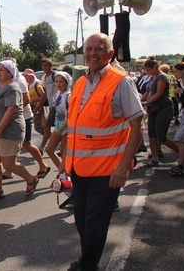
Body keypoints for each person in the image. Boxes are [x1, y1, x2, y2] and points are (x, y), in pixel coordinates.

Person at [62, 33, 144, 271]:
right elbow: (74, 127)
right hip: (78, 167)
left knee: (96, 223)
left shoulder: (121, 82)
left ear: (110, 54)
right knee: (82, 220)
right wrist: (63, 164)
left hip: (107, 170)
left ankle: (88, 265)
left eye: (99, 49)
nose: (93, 53)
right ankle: (87, 259)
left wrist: (123, 166)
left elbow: (137, 124)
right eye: (89, 49)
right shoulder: (79, 82)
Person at [0, 60, 39, 201]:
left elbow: (12, 109)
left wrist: (0, 128)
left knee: (8, 164)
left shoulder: (12, 88)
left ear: (10, 73)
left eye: (2, 69)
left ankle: (31, 179)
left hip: (8, 132)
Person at [141, 58, 179, 167]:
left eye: (148, 70)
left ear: (154, 68)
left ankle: (182, 152)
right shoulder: (152, 78)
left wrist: (146, 102)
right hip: (153, 109)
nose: (147, 73)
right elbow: (148, 92)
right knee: (152, 134)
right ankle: (154, 157)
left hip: (163, 108)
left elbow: (159, 93)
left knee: (161, 136)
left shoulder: (162, 77)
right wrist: (140, 101)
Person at [45, 71, 72, 170]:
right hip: (58, 125)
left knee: (64, 153)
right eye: (56, 81)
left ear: (66, 83)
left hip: (66, 126)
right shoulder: (57, 94)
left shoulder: (68, 96)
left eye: (61, 82)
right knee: (49, 150)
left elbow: (71, 116)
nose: (58, 84)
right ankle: (62, 171)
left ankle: (64, 173)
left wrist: (61, 130)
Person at [33, 58, 58, 154]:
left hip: (58, 105)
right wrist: (38, 106)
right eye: (43, 66)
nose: (45, 67)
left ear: (51, 66)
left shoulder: (55, 76)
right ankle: (64, 147)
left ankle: (42, 147)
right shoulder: (46, 78)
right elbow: (46, 94)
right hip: (52, 105)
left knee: (48, 125)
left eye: (47, 65)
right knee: (57, 128)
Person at [170, 62, 184, 176]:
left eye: (176, 71)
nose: (175, 73)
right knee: (181, 138)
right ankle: (183, 158)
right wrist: (176, 94)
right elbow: (180, 102)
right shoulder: (179, 83)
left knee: (180, 137)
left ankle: (180, 165)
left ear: (183, 71)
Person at [22, 68, 46, 136]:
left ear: (31, 76)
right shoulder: (28, 84)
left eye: (26, 76)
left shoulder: (37, 85)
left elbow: (43, 96)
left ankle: (50, 137)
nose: (25, 77)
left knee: (38, 126)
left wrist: (33, 100)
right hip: (32, 107)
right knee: (41, 125)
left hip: (37, 107)